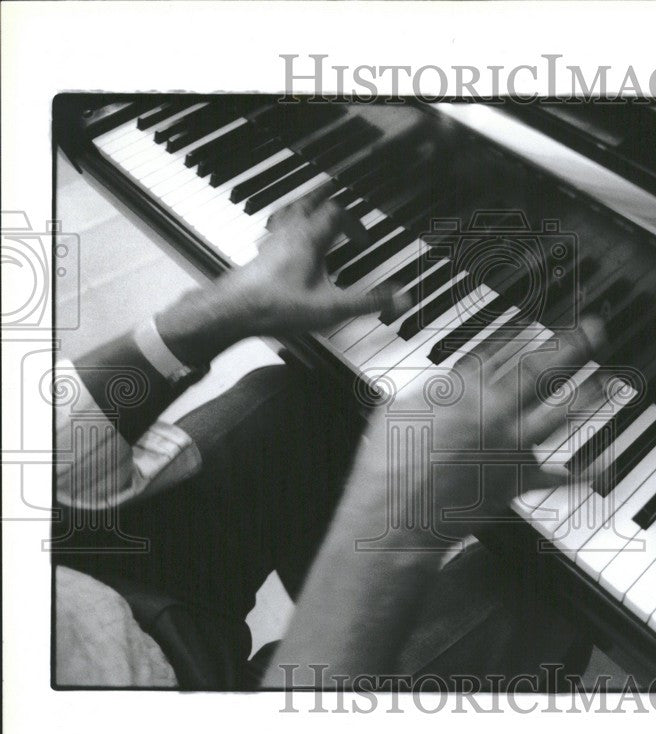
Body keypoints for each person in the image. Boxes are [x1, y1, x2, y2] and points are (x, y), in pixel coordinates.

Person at [53, 192, 598, 690]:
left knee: (297, 399)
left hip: (76, 565)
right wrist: (396, 527)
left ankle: (330, 590)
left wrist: (202, 317)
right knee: (540, 582)